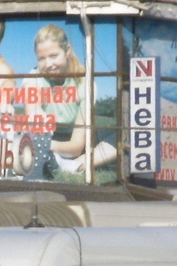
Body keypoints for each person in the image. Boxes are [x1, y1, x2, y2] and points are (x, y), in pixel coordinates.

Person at [23, 24, 116, 179]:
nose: (48, 64)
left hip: (71, 141)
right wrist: (41, 142)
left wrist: (45, 147)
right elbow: (34, 124)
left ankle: (76, 165)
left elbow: (76, 146)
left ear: (67, 51)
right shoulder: (33, 78)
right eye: (41, 58)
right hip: (47, 137)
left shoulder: (85, 83)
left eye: (53, 56)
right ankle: (60, 161)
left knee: (124, 134)